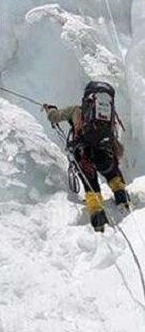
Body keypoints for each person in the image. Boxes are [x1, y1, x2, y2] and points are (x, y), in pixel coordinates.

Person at [44, 81, 130, 232]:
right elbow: (112, 137)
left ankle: (98, 219)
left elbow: (54, 117)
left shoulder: (76, 110)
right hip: (105, 152)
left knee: (90, 182)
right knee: (111, 173)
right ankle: (121, 198)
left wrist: (49, 110)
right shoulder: (109, 116)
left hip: (83, 153)